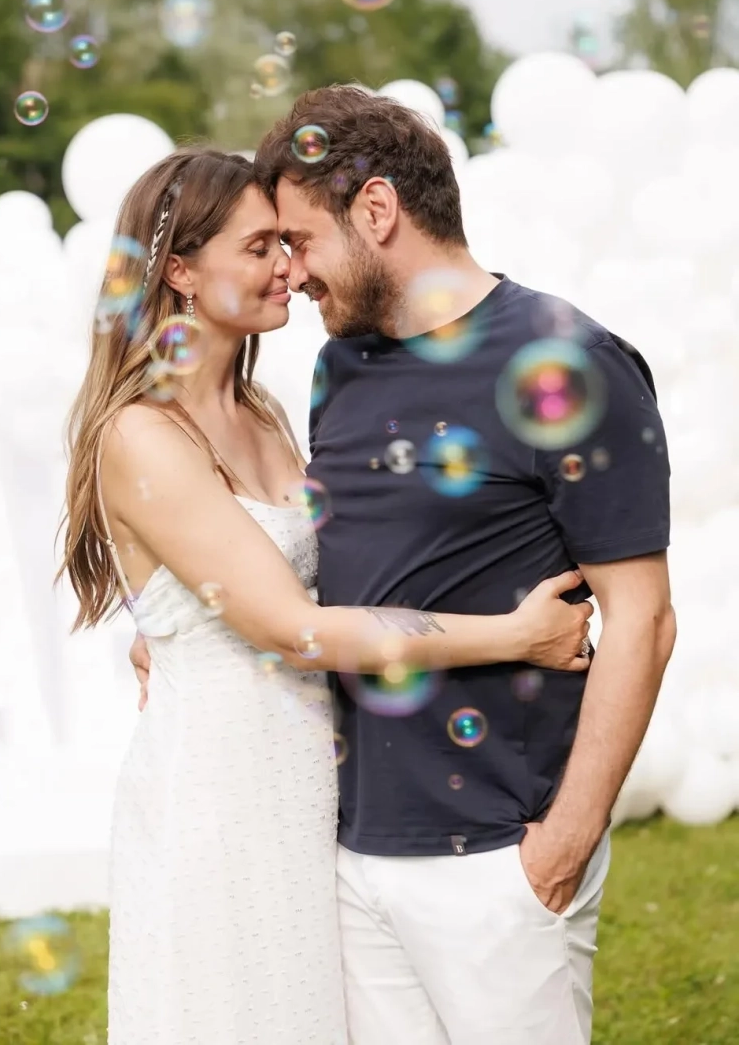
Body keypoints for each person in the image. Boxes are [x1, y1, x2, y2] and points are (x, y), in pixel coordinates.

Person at [57, 147, 593, 1045]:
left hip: (311, 788)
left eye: (286, 242)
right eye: (258, 247)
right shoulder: (144, 433)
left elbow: (316, 570)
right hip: (220, 798)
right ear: (181, 270)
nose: (288, 266)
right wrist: (515, 635)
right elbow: (292, 627)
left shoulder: (263, 411)